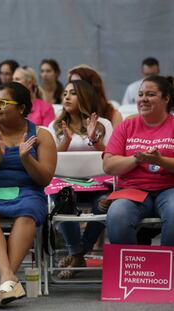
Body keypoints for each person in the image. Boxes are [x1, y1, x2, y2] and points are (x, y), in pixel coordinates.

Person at [0, 82, 56, 306]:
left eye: (3, 103)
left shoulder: (42, 135)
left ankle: (6, 281)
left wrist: (27, 159)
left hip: (27, 192)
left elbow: (45, 179)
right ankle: (8, 278)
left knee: (27, 213)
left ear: (21, 108)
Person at [48, 80, 113, 278]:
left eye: (73, 93)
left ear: (84, 97)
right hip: (66, 187)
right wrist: (65, 143)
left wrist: (94, 140)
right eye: (65, 93)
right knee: (63, 200)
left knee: (105, 205)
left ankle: (77, 254)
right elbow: (52, 162)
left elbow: (111, 157)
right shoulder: (55, 126)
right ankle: (78, 253)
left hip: (99, 185)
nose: (66, 96)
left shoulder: (104, 124)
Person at [104, 75, 174, 246]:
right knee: (117, 215)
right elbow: (108, 165)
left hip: (169, 188)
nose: (143, 99)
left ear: (166, 98)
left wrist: (159, 161)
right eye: (141, 94)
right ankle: (134, 268)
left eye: (150, 94)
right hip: (133, 189)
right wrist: (136, 159)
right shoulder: (127, 126)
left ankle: (167, 268)